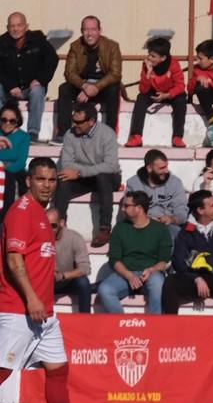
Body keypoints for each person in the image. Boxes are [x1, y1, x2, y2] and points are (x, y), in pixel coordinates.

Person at [0, 157, 110, 403]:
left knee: (58, 370)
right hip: (19, 309)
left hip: (43, 313)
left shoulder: (41, 213)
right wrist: (32, 298)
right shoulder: (21, 213)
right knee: (2, 371)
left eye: (51, 180)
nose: (47, 185)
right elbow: (13, 260)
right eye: (41, 179)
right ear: (28, 181)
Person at [162, 190, 213, 315]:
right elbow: (179, 261)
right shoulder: (186, 231)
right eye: (212, 205)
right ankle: (170, 328)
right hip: (196, 280)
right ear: (200, 211)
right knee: (170, 283)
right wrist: (196, 279)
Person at [56, 103, 120, 248]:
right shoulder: (70, 134)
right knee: (63, 178)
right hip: (85, 178)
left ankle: (104, 229)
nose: (74, 125)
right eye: (73, 120)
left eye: (79, 122)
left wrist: (80, 171)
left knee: (103, 176)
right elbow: (66, 164)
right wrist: (83, 172)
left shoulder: (107, 134)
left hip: (108, 177)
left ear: (91, 121)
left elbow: (110, 165)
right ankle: (60, 224)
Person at [98, 190, 171, 314]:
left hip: (151, 273)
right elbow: (114, 259)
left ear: (139, 208)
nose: (122, 209)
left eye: (126, 206)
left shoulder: (160, 229)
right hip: (125, 273)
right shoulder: (119, 228)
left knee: (158, 284)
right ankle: (122, 324)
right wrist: (129, 275)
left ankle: (155, 327)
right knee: (105, 289)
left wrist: (151, 270)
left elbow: (164, 259)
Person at [55, 16, 122, 139]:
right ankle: (62, 134)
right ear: (81, 31)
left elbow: (115, 74)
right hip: (82, 86)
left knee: (114, 89)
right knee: (64, 89)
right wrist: (85, 86)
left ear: (99, 30)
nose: (89, 34)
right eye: (86, 30)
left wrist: (95, 87)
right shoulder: (75, 46)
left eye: (93, 29)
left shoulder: (112, 46)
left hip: (103, 87)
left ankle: (110, 134)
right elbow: (69, 73)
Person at [0, 12, 58, 141]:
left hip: (31, 87)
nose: (15, 29)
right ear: (7, 27)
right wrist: (10, 86)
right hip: (10, 89)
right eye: (12, 26)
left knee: (38, 91)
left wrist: (41, 80)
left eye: (19, 25)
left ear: (26, 26)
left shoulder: (38, 40)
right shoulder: (1, 43)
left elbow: (52, 60)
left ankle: (33, 133)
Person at [125, 36, 187, 148]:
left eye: (153, 56)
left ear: (163, 58)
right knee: (141, 98)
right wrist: (148, 72)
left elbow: (181, 86)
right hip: (153, 91)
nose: (149, 58)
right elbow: (143, 89)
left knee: (181, 100)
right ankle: (136, 136)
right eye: (149, 54)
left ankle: (178, 137)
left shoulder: (174, 64)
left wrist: (167, 95)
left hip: (170, 92)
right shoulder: (146, 65)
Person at [122, 149, 188, 238]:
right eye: (162, 168)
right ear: (149, 168)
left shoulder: (175, 182)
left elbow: (182, 210)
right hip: (140, 226)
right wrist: (146, 219)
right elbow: (127, 210)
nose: (166, 171)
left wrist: (171, 219)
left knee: (176, 234)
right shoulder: (134, 184)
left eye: (166, 167)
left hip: (168, 226)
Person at [48, 206, 91, 313]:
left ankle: (86, 320)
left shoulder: (74, 238)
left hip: (67, 281)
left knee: (83, 282)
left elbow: (85, 268)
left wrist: (63, 276)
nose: (49, 230)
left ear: (61, 223)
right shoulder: (38, 237)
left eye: (53, 226)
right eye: (46, 225)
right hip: (46, 281)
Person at [0, 102, 31, 207]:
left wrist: (5, 167)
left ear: (17, 122)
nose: (7, 123)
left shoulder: (24, 137)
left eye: (12, 121)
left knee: (11, 179)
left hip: (15, 170)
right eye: (4, 120)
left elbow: (21, 162)